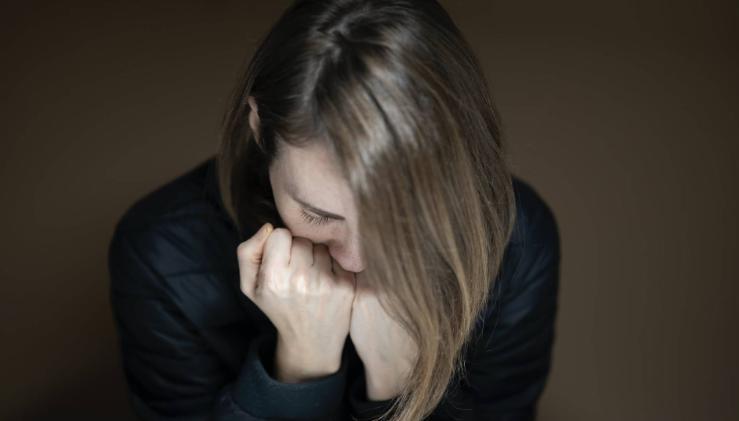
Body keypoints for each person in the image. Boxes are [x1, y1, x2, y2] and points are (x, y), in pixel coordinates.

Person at [107, 0, 561, 420]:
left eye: (398, 220)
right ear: (260, 128)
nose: (357, 262)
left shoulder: (514, 242)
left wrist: (398, 385)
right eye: (319, 215)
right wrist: (301, 368)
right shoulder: (161, 255)